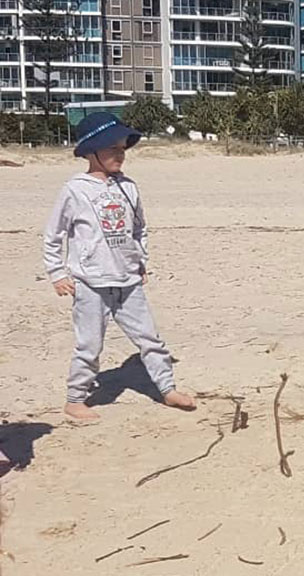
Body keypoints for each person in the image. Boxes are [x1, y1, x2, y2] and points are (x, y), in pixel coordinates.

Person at [43, 112, 195, 421]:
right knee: (89, 345)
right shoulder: (75, 190)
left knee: (150, 339)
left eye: (123, 148)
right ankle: (75, 399)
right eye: (112, 148)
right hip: (90, 283)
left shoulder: (129, 187)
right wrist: (57, 273)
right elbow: (53, 233)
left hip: (128, 282)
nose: (120, 155)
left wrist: (140, 261)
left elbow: (139, 229)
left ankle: (167, 390)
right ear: (91, 151)